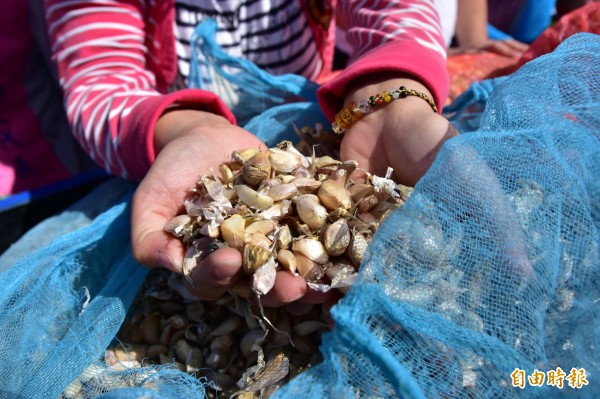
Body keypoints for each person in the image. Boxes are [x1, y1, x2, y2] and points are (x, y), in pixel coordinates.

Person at [44, 0, 452, 307]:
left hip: (326, 123)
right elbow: (101, 86)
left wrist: (392, 92)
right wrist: (185, 127)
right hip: (166, 145)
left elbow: (396, 12)